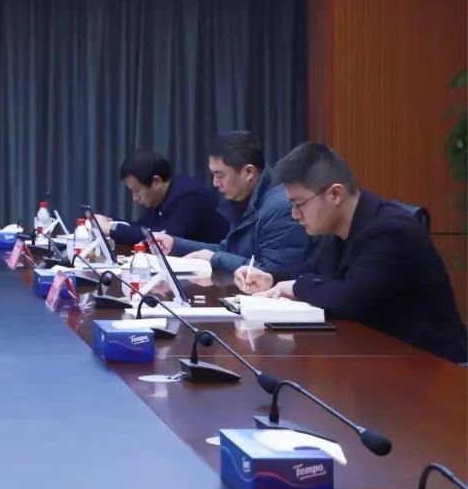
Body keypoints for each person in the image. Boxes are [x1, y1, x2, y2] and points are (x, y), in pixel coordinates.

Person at [234, 142, 467, 364]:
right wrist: (272, 279)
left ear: (335, 194)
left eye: (299, 204)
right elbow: (312, 271)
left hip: (437, 369)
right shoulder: (336, 231)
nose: (295, 215)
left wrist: (296, 287)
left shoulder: (390, 231)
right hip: (382, 360)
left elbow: (352, 298)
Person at [154, 131, 309, 279]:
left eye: (220, 175)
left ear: (249, 172)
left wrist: (215, 258)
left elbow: (273, 273)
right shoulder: (245, 197)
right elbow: (228, 250)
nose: (215, 183)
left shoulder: (280, 207)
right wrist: (175, 244)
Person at [96, 149, 228, 245]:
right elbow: (143, 227)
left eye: (137, 191)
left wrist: (111, 229)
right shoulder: (160, 196)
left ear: (156, 182)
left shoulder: (190, 197)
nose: (135, 198)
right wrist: (111, 222)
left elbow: (162, 238)